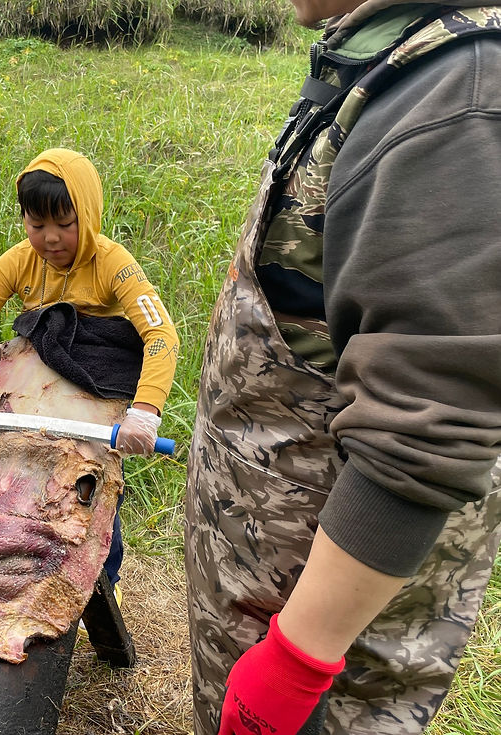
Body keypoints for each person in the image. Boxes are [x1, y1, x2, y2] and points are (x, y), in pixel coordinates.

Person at [183, 1, 501, 733]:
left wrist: (295, 663)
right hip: (269, 588)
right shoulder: (382, 60)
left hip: (324, 653)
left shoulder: (458, 94)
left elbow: (426, 425)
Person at [0, 147, 179, 588]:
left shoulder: (114, 263)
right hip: (34, 382)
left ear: (89, 213)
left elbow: (160, 335)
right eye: (36, 224)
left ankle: (103, 582)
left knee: (87, 488)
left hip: (95, 387)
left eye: (65, 224)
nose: (50, 238)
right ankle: (5, 574)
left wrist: (144, 412)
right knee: (7, 479)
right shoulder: (18, 262)